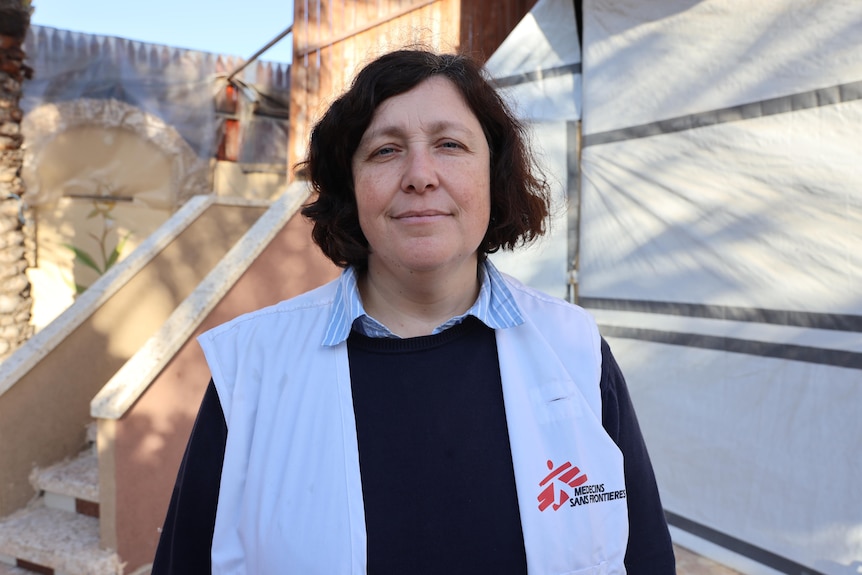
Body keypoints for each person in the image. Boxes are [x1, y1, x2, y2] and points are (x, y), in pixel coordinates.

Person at [152, 48, 675, 574]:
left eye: (449, 144)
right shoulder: (252, 368)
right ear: (349, 187)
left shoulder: (574, 348)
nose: (420, 175)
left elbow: (644, 557)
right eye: (385, 151)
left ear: (493, 175)